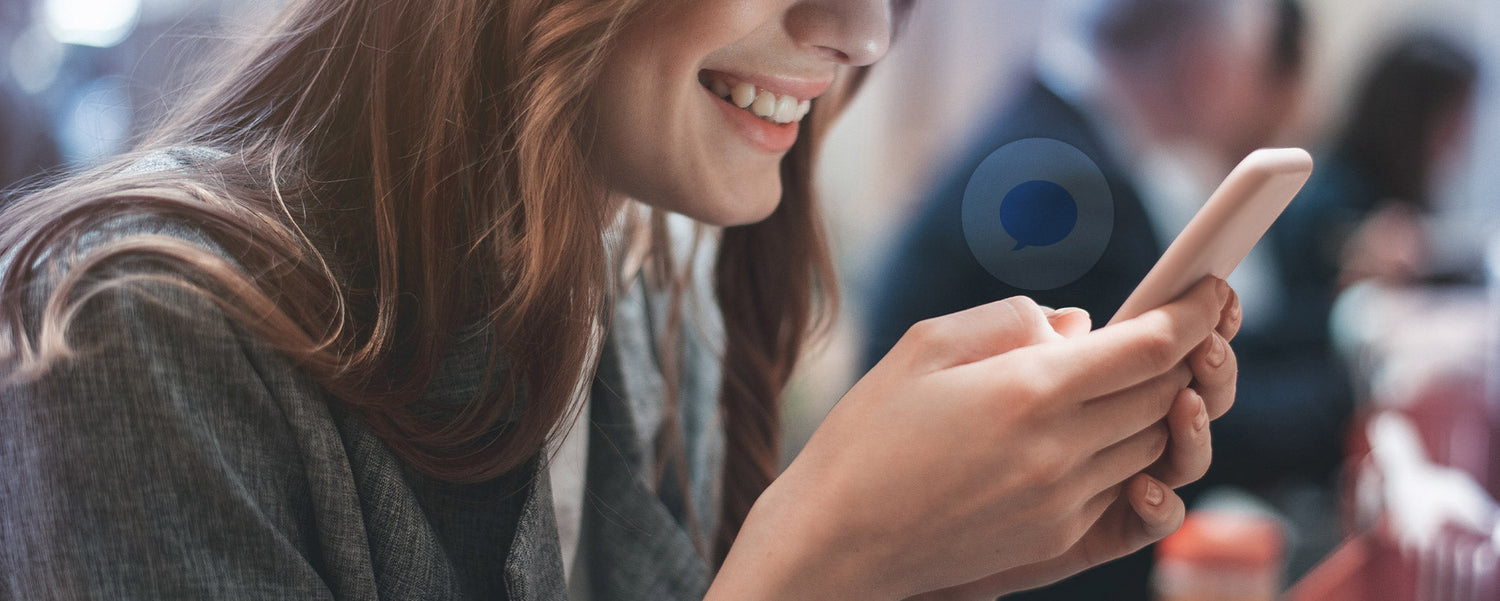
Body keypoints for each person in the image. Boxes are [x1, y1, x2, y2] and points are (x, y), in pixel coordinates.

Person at [0, 0, 1240, 599]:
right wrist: (820, 568)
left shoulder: (646, 277)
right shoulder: (136, 332)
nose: (863, 29)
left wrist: (929, 571)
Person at [864, 0, 1307, 597]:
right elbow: (1136, 405)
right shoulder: (1064, 177)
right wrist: (1350, 390)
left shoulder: (1058, 135)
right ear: (1202, 64)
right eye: (1248, 63)